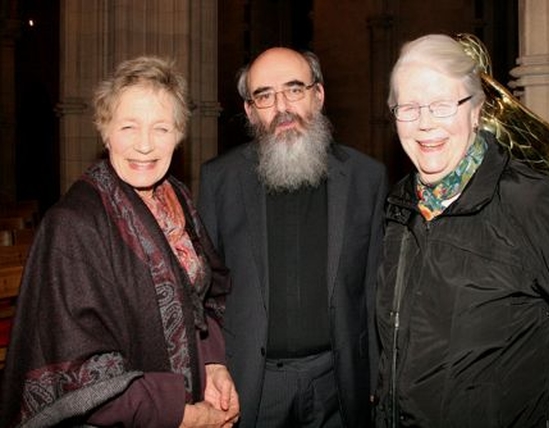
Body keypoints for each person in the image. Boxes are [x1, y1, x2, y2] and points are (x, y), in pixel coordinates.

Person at [374, 34, 549, 427]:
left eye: (443, 104)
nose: (425, 123)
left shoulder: (529, 201)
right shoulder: (400, 206)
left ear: (477, 110)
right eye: (408, 107)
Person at [0, 56, 240, 427]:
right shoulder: (72, 225)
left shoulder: (176, 198)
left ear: (178, 136)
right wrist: (180, 415)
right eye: (128, 126)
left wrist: (213, 363)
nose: (144, 145)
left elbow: (202, 298)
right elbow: (77, 369)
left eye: (161, 128)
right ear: (104, 131)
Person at [198, 47, 388, 427]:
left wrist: (378, 377)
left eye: (294, 89)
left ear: (318, 96)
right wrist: (211, 364)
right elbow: (203, 289)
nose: (282, 106)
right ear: (250, 111)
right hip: (252, 383)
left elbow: (373, 287)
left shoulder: (367, 177)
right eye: (265, 95)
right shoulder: (219, 180)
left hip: (338, 382)